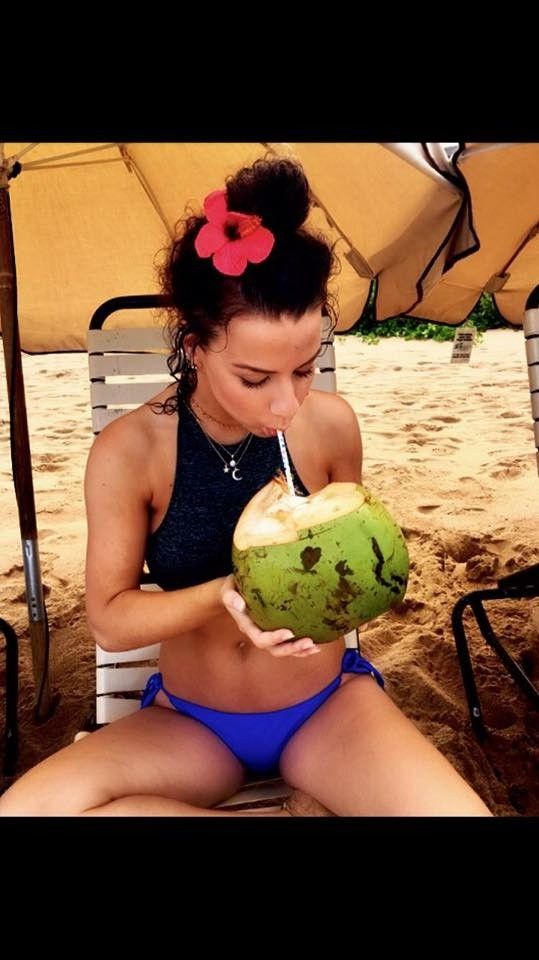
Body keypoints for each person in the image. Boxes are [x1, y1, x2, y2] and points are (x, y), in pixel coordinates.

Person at [0, 156, 491, 817]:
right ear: (194, 347)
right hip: (193, 724)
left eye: (305, 369)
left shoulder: (331, 428)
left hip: (325, 709)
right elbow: (111, 622)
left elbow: (352, 586)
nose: (286, 403)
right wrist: (229, 594)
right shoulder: (131, 451)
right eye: (255, 379)